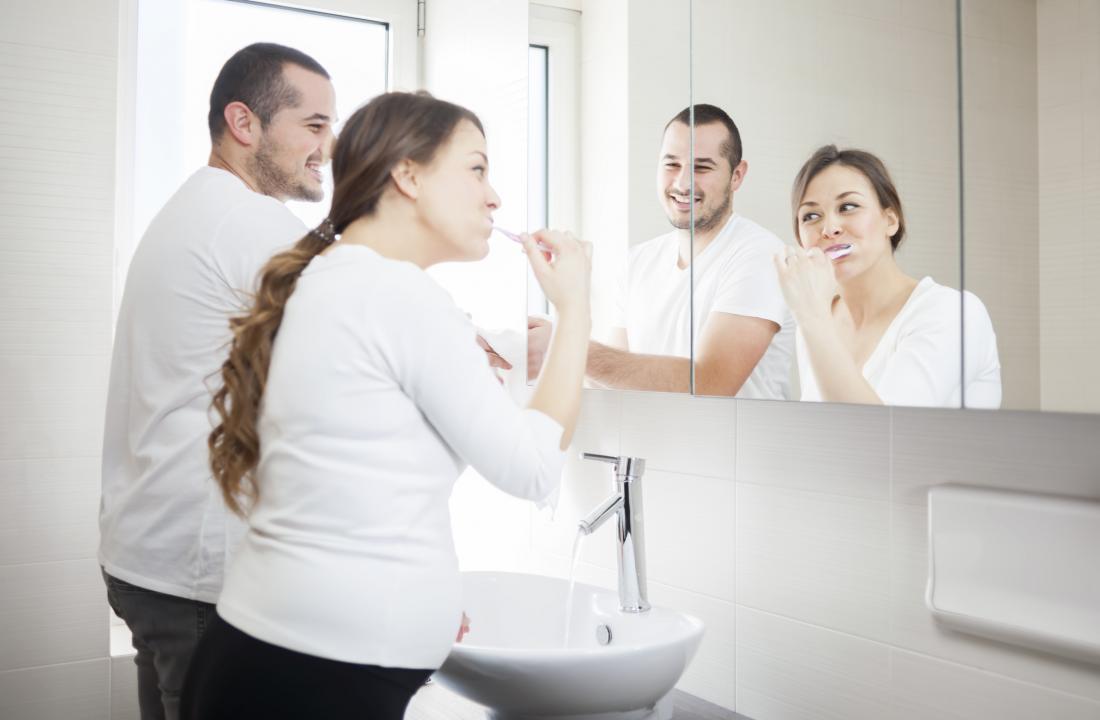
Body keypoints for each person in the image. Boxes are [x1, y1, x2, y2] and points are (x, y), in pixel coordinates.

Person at [180, 91, 592, 719]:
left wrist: (408, 594)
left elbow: (350, 485)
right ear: (407, 174)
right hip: (311, 680)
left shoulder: (335, 279)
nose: (495, 197)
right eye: (477, 168)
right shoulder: (400, 297)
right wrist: (576, 309)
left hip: (274, 661)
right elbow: (532, 467)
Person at [98, 43, 336, 720]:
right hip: (198, 572)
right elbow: (367, 320)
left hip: (150, 558)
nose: (329, 145)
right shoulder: (246, 219)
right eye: (314, 125)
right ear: (244, 122)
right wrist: (506, 345)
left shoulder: (194, 208)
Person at [584, 104, 795, 397]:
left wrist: (571, 349)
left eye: (702, 167)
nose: (682, 183)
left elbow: (710, 384)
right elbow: (609, 381)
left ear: (737, 175)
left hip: (739, 444)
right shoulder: (637, 262)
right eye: (671, 164)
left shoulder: (760, 255)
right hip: (652, 442)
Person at [775, 144, 1001, 407]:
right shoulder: (817, 318)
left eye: (848, 207)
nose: (830, 228)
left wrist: (812, 318)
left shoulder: (952, 312)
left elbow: (883, 438)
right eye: (811, 216)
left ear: (891, 220)